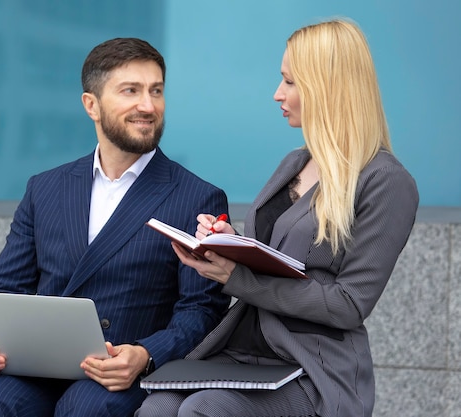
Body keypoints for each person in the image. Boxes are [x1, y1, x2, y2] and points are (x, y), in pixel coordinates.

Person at [135, 18, 419, 417]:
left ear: (326, 87)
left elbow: (348, 305)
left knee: (205, 410)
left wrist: (237, 278)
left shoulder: (386, 182)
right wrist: (227, 243)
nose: (277, 94)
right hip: (245, 350)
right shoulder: (295, 162)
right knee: (157, 407)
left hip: (311, 369)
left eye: (289, 82)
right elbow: (277, 255)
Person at [0, 37, 231, 417]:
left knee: (86, 408)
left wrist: (147, 354)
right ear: (91, 105)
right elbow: (4, 289)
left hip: (122, 374)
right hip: (35, 370)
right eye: (130, 91)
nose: (147, 106)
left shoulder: (197, 197)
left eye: (156, 91)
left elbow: (202, 310)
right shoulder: (45, 188)